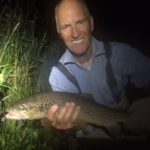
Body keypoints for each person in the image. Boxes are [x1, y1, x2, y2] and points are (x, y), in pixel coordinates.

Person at [47, 0, 150, 135]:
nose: (75, 33)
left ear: (91, 23)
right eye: (66, 26)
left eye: (80, 22)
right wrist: (68, 128)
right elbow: (73, 129)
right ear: (59, 32)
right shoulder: (58, 76)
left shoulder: (119, 53)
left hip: (129, 126)